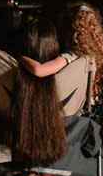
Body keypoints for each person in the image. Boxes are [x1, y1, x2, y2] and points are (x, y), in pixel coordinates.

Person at [7, 16, 68, 166]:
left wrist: (21, 57)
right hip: (56, 150)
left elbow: (37, 70)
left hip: (11, 144)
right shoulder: (66, 73)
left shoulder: (9, 72)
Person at [19, 1, 103, 100]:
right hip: (90, 106)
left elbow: (38, 70)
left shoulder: (70, 57)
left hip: (72, 110)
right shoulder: (97, 55)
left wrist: (20, 57)